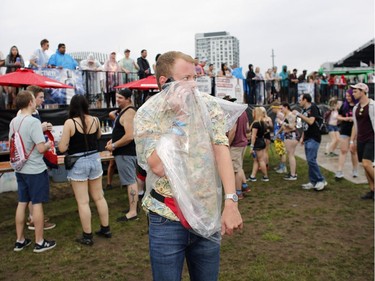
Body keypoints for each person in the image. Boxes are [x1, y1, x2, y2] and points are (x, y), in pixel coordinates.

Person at [134, 51, 243, 281]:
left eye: (194, 78)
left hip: (206, 212)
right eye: (185, 79)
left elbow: (221, 148)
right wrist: (180, 118)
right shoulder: (147, 114)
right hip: (167, 217)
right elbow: (158, 166)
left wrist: (231, 201)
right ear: (165, 82)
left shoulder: (208, 105)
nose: (193, 85)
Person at [58, 94, 111, 245]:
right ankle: (105, 228)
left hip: (78, 162)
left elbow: (62, 148)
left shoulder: (70, 123)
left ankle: (87, 236)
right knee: (99, 197)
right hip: (95, 159)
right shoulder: (95, 120)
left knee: (83, 202)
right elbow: (99, 136)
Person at [10, 90, 56, 253]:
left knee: (22, 202)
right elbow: (41, 148)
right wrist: (50, 144)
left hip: (20, 168)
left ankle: (20, 240)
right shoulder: (33, 122)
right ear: (30, 102)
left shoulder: (14, 121)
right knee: (37, 204)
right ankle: (39, 242)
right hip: (35, 169)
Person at [23, 85, 56, 231]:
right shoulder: (25, 114)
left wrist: (44, 127)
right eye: (40, 97)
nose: (43, 100)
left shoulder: (34, 112)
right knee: (34, 193)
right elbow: (29, 133)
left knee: (33, 193)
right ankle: (34, 220)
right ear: (32, 97)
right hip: (32, 157)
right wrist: (42, 128)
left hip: (35, 155)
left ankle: (33, 217)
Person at [105, 88, 139, 222]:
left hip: (126, 153)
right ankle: (133, 207)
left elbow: (130, 135)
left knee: (130, 182)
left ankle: (132, 212)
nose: (117, 100)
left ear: (128, 99)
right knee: (131, 180)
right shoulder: (125, 112)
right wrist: (113, 140)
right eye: (116, 97)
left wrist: (113, 145)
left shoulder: (129, 113)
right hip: (125, 153)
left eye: (120, 98)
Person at [293, 94, 327, 191]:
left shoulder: (313, 108)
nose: (299, 102)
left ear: (305, 100)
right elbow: (304, 126)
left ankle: (321, 180)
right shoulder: (304, 110)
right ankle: (313, 181)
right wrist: (302, 137)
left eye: (300, 100)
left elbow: (311, 121)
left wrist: (299, 114)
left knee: (311, 160)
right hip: (308, 137)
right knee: (310, 161)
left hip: (314, 137)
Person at [349, 83, 374, 200]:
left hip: (372, 138)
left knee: (366, 163)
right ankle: (372, 190)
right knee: (364, 166)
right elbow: (355, 125)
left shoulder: (373, 105)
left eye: (355, 91)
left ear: (363, 91)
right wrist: (352, 141)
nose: (353, 93)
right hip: (361, 139)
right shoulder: (356, 108)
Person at [226, 96, 249, 199]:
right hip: (243, 143)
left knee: (237, 170)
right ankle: (244, 186)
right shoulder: (243, 112)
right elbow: (248, 128)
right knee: (239, 166)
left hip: (236, 144)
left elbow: (233, 131)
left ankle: (238, 192)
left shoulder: (233, 113)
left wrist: (228, 145)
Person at [335, 89, 359, 179]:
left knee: (353, 151)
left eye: (349, 96)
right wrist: (346, 119)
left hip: (356, 130)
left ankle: (355, 170)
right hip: (345, 130)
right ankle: (339, 171)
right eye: (346, 96)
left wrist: (353, 119)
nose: (347, 98)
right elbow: (338, 116)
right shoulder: (344, 105)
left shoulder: (358, 106)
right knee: (343, 150)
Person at [248, 107, 269, 182]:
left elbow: (253, 136)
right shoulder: (263, 123)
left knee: (260, 160)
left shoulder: (256, 123)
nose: (252, 114)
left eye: (253, 113)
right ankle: (253, 176)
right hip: (262, 141)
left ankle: (265, 176)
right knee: (257, 160)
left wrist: (251, 146)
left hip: (257, 144)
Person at [280, 103, 299, 180]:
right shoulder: (287, 115)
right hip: (289, 135)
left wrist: (283, 123)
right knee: (290, 155)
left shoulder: (290, 115)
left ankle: (293, 174)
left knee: (291, 155)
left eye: (282, 108)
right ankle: (292, 172)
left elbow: (292, 126)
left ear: (286, 107)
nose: (281, 110)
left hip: (290, 135)